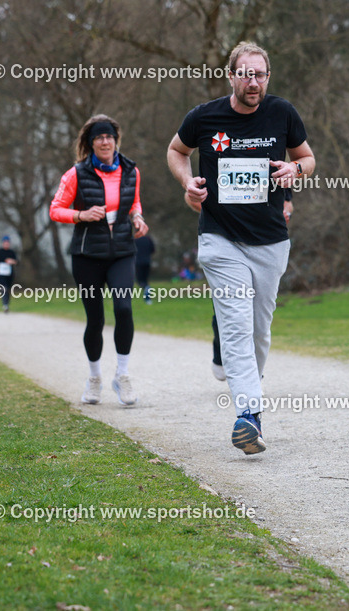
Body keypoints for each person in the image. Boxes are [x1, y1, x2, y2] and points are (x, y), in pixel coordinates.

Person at [167, 41, 315, 455]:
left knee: (258, 330)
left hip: (270, 241)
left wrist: (295, 168)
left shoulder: (282, 113)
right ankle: (249, 415)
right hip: (219, 237)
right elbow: (176, 151)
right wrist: (188, 183)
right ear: (231, 75)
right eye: (246, 74)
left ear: (269, 76)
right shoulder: (204, 116)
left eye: (261, 74)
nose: (254, 82)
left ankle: (249, 393)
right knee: (234, 324)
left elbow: (307, 158)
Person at [49, 114, 149, 406]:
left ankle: (123, 375)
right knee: (95, 319)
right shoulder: (76, 174)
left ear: (116, 140)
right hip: (87, 255)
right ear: (90, 143)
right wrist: (81, 214)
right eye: (99, 138)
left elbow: (135, 201)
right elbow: (56, 210)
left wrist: (137, 217)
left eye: (109, 137)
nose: (105, 142)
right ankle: (94, 379)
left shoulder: (131, 170)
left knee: (124, 308)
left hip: (122, 252)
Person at [185, 188, 293, 383]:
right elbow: (190, 196)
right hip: (225, 243)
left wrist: (286, 213)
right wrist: (221, 212)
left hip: (263, 243)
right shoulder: (217, 161)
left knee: (257, 322)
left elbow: (287, 202)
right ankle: (223, 359)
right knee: (232, 315)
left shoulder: (273, 166)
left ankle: (250, 379)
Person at [0, 236, 18, 313]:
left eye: (8, 243)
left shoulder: (11, 252)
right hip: (0, 274)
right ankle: (5, 304)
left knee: (7, 289)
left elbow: (17, 262)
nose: (6, 244)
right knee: (3, 288)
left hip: (9, 274)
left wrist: (12, 261)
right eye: (5, 243)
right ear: (3, 243)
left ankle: (6, 304)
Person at [134, 234, 155, 304]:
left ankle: (147, 292)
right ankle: (147, 292)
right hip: (147, 262)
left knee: (140, 281)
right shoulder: (148, 239)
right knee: (145, 280)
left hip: (138, 263)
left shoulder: (135, 240)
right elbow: (153, 249)